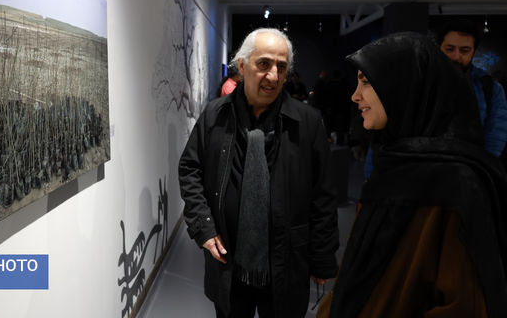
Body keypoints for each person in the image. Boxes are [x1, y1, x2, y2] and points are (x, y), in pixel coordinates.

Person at [317, 32, 507, 317]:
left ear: (403, 87)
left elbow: (464, 305)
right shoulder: (393, 163)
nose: (355, 95)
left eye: (367, 82)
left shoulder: (457, 184)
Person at [179, 28, 339, 318]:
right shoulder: (215, 116)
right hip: (229, 259)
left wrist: (323, 258)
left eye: (281, 66)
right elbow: (190, 168)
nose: (274, 76)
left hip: (287, 261)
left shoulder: (308, 122)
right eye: (264, 64)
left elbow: (323, 194)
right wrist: (203, 227)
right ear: (242, 66)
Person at [438, 19, 507, 158]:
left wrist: (483, 167)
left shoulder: (491, 88)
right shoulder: (422, 82)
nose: (456, 56)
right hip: (426, 167)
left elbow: (496, 134)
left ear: (474, 52)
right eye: (449, 49)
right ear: (439, 48)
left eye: (464, 50)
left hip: (472, 166)